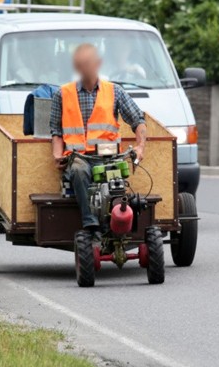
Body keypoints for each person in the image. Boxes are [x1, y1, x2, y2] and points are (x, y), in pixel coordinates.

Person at [49, 43, 148, 240]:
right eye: (81, 64)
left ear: (98, 64)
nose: (85, 67)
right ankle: (91, 224)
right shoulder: (63, 94)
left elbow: (138, 121)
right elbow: (56, 132)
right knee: (78, 171)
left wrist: (140, 146)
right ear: (76, 67)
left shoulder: (115, 92)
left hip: (109, 157)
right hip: (79, 158)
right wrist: (57, 154)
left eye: (89, 63)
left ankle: (118, 218)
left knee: (118, 180)